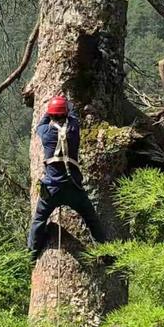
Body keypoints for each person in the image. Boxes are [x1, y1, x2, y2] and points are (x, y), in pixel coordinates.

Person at [27, 95, 106, 260]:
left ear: (51, 114)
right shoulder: (74, 129)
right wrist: (66, 104)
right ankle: (106, 252)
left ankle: (31, 256)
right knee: (92, 220)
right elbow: (73, 114)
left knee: (39, 220)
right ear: (65, 113)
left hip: (51, 189)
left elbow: (40, 123)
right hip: (73, 188)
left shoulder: (46, 132)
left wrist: (51, 109)